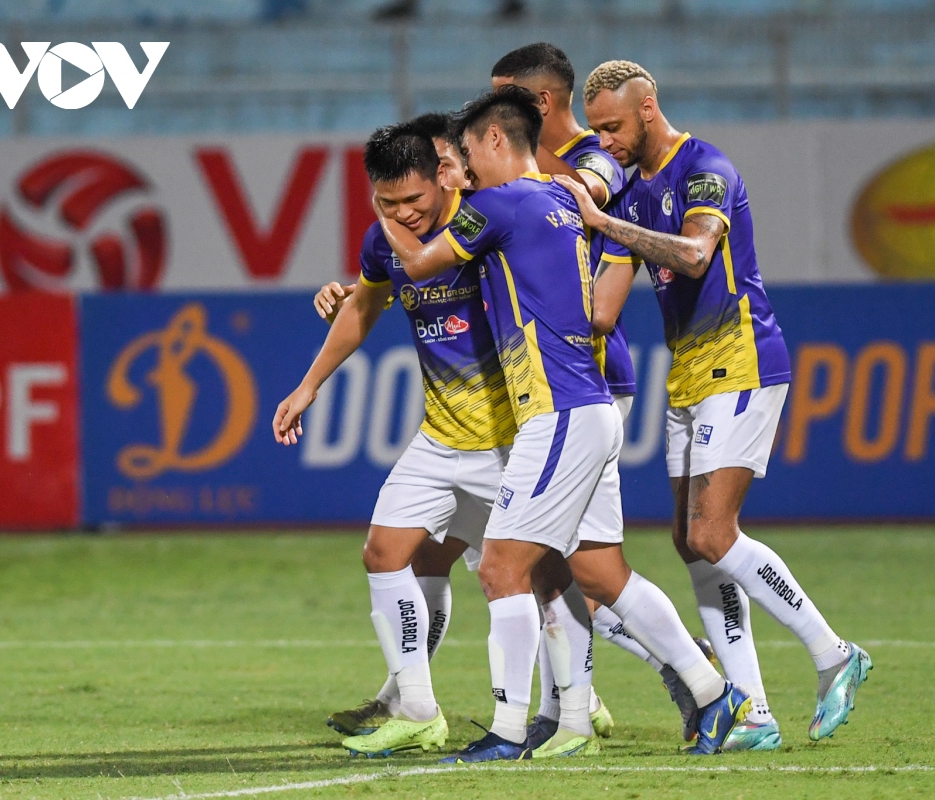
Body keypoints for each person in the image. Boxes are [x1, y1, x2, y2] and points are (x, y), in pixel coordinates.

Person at [375, 86, 751, 761]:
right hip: (588, 405)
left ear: (495, 142)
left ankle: (508, 730)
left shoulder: (497, 204)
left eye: (459, 157)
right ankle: (712, 693)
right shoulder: (555, 197)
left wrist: (386, 214)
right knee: (602, 573)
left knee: (499, 569)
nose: (453, 171)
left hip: (559, 415)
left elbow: (419, 263)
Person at [556, 59, 872, 745]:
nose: (603, 142)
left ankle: (834, 654)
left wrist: (601, 224)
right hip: (689, 375)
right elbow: (603, 311)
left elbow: (697, 256)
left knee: (710, 533)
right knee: (690, 544)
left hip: (744, 363)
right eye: (597, 130)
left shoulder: (705, 170)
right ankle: (752, 712)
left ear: (646, 108)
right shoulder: (630, 194)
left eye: (612, 127)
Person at [490, 41, 716, 748]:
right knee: (579, 564)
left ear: (537, 103)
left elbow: (591, 192)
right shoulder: (538, 173)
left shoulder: (597, 160)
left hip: (581, 380)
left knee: (538, 561)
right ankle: (604, 703)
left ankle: (588, 705)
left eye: (504, 98)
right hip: (553, 386)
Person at [273, 117, 515, 757]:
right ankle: (416, 708)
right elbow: (365, 306)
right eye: (388, 203)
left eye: (413, 200)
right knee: (385, 554)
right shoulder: (383, 242)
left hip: (511, 439)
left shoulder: (485, 221)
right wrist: (309, 386)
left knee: (574, 582)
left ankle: (686, 683)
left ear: (442, 175)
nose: (404, 214)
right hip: (441, 438)